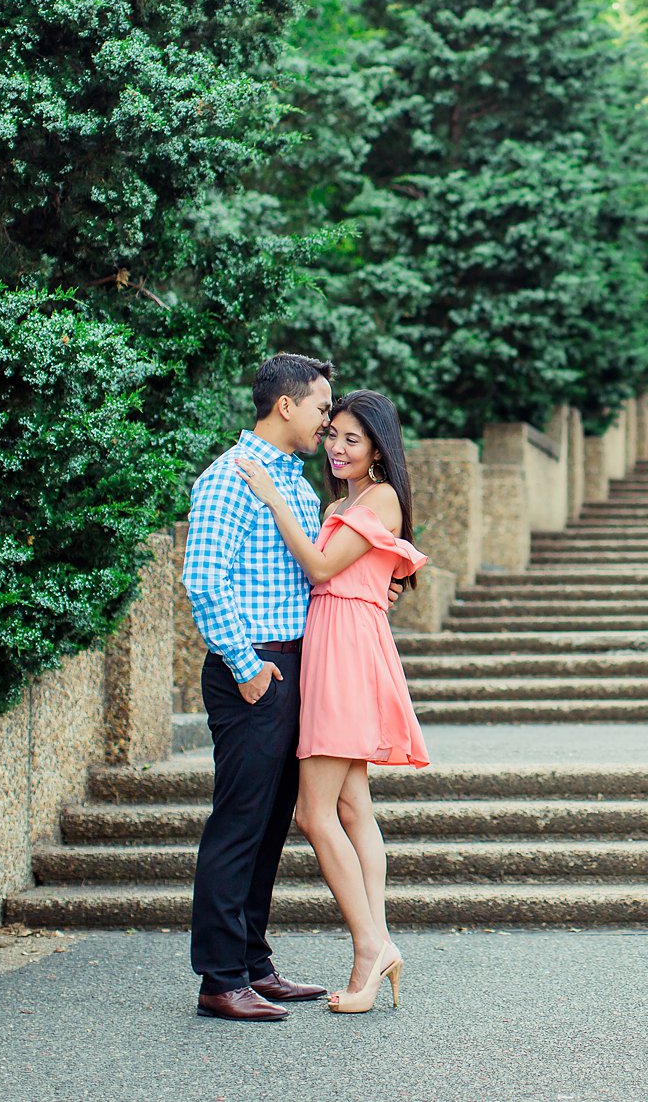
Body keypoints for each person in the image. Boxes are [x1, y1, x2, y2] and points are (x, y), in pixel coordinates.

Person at [238, 390, 428, 1013]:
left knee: (313, 814)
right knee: (351, 805)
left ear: (378, 446)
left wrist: (271, 498)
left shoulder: (378, 498)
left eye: (353, 439)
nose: (339, 448)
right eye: (334, 436)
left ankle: (371, 947)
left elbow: (321, 568)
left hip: (344, 650)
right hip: (342, 641)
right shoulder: (351, 500)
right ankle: (372, 949)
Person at [181, 353, 338, 1024]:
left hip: (292, 663)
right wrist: (245, 668)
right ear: (286, 406)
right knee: (240, 822)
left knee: (272, 823)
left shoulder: (291, 482)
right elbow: (204, 578)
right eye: (321, 408)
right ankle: (220, 977)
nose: (327, 422)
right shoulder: (229, 478)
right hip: (255, 668)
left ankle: (251, 963)